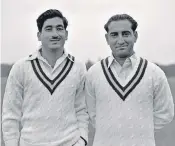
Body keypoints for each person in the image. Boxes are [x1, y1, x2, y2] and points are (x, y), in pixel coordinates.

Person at [2, 9, 89, 146]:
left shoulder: (78, 67)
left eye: (59, 29)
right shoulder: (21, 67)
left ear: (66, 34)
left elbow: (82, 110)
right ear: (39, 35)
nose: (55, 34)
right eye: (49, 29)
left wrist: (82, 140)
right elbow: (10, 115)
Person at [85, 14, 174, 146]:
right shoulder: (93, 73)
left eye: (125, 34)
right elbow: (91, 113)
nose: (120, 40)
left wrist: (139, 128)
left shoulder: (154, 72)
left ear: (135, 36)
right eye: (114, 35)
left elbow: (166, 113)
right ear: (107, 38)